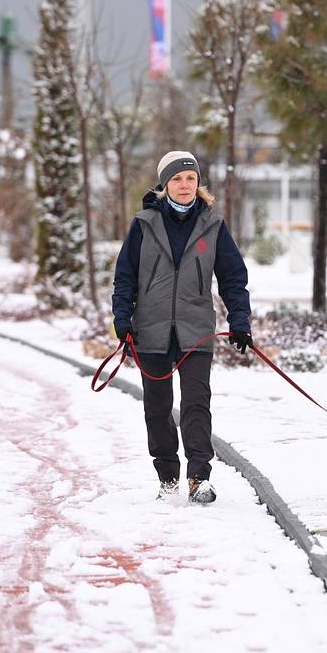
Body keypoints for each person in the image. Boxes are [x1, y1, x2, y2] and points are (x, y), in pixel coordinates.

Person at [112, 151, 252, 504]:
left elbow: (233, 277)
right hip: (150, 329)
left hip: (196, 329)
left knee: (196, 402)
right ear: (165, 185)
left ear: (198, 183)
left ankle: (198, 478)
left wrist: (240, 320)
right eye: (177, 179)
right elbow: (124, 277)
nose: (185, 184)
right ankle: (168, 477)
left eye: (190, 178)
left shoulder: (212, 225)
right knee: (157, 407)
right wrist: (122, 319)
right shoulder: (143, 224)